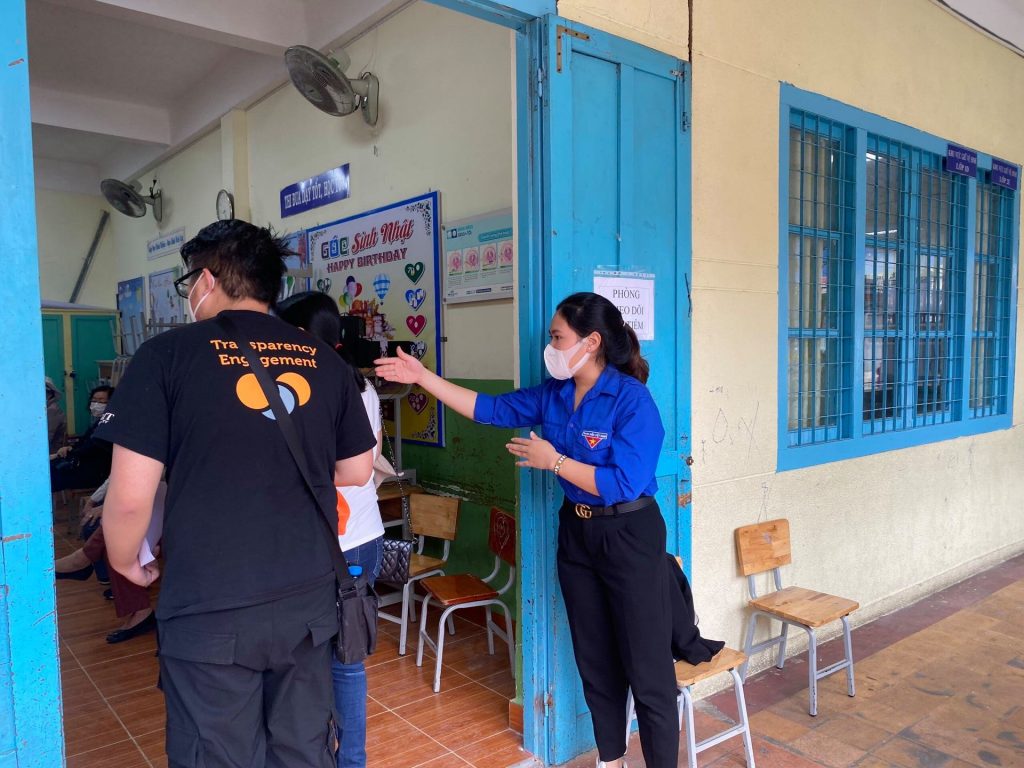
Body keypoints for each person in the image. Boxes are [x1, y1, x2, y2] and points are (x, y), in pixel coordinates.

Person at [96, 220, 376, 768]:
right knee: (302, 751)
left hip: (210, 607)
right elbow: (357, 468)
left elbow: (128, 498)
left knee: (217, 753)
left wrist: (125, 562)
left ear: (206, 280)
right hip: (308, 603)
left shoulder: (166, 356)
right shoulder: (323, 359)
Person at [376, 292, 677, 768]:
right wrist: (422, 377)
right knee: (594, 659)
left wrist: (554, 462)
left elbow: (624, 482)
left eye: (558, 337)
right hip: (577, 535)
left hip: (629, 534)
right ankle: (612, 760)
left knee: (647, 667)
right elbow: (489, 409)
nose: (550, 347)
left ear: (591, 342)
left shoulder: (631, 399)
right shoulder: (554, 393)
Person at [278, 291, 385, 768]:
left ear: (302, 336)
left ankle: (350, 761)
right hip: (343, 538)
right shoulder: (356, 386)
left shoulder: (336, 389)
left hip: (346, 541)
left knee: (341, 659)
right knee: (328, 659)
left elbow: (357, 471)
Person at [49, 385, 114, 491]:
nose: (96, 404)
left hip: (95, 472)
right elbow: (84, 442)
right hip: (83, 464)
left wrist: (68, 453)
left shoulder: (109, 425)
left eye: (101, 401)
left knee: (49, 476)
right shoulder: (99, 422)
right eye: (94, 400)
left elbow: (91, 449)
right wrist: (70, 448)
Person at [45, 377, 67, 453]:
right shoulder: (47, 408)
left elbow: (47, 437)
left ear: (49, 393)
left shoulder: (52, 410)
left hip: (52, 452)